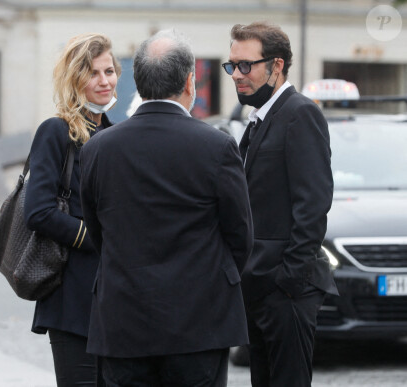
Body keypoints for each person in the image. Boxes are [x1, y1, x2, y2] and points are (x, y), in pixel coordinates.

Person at [80, 29, 254, 386]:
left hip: (123, 320)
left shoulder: (99, 148)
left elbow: (97, 231)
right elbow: (240, 235)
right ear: (190, 82)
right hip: (199, 321)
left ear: (138, 83)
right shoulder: (217, 147)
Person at [223, 22, 338, 386]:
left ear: (276, 65)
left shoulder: (300, 113)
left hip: (286, 291)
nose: (236, 75)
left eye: (246, 66)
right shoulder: (260, 117)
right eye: (232, 66)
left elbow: (314, 203)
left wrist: (287, 279)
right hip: (259, 288)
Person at [23, 33, 121, 386]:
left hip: (115, 293)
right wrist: (98, 238)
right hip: (72, 294)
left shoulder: (115, 132)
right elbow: (38, 211)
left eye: (109, 71)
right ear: (75, 78)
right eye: (93, 73)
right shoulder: (56, 131)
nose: (104, 81)